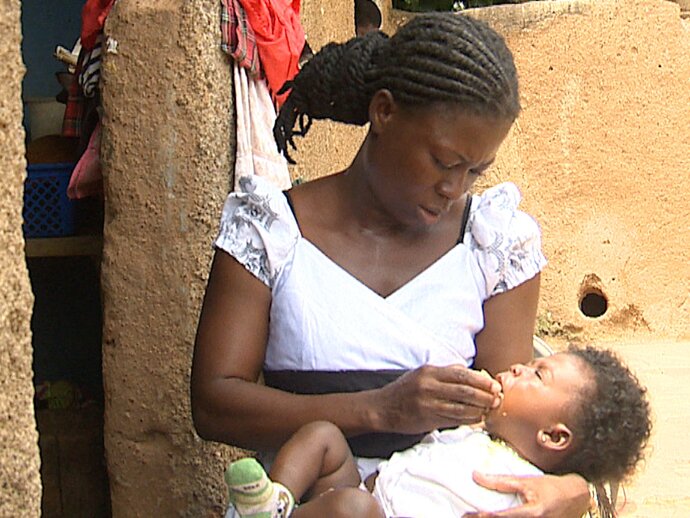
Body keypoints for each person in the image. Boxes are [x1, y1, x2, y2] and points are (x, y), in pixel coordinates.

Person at [192, 12, 591, 517]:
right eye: (443, 162)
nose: (455, 189)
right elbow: (213, 404)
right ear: (384, 112)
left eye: (476, 171)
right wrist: (378, 408)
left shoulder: (494, 246)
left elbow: (515, 423)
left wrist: (572, 487)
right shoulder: (272, 232)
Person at [224, 346, 652, 517]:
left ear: (554, 437)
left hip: (367, 512)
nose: (519, 366)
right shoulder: (472, 432)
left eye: (538, 376)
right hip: (365, 493)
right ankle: (275, 503)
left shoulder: (529, 495)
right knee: (323, 436)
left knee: (353, 508)